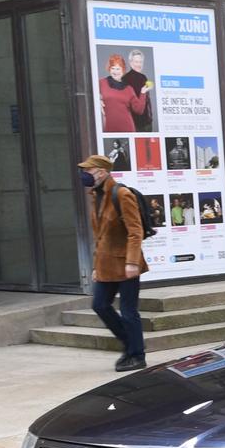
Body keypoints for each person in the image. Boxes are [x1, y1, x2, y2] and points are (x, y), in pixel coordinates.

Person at [78, 153, 147, 371]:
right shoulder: (95, 196)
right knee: (99, 305)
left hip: (126, 264)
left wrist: (133, 262)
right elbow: (100, 236)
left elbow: (135, 231)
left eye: (88, 171)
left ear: (102, 172)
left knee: (128, 312)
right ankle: (130, 344)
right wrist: (97, 267)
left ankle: (137, 355)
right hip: (107, 264)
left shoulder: (122, 194)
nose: (84, 175)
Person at [98, 56, 146, 134]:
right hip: (109, 127)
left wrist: (143, 92)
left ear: (123, 70)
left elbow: (138, 110)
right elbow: (89, 95)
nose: (115, 71)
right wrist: (97, 100)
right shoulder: (101, 83)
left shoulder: (129, 89)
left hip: (127, 128)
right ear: (109, 69)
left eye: (118, 69)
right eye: (112, 68)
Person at [124, 49, 154, 131]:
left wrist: (150, 117)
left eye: (140, 62)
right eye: (136, 62)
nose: (139, 64)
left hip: (146, 121)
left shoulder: (143, 77)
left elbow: (147, 100)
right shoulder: (125, 79)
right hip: (135, 123)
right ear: (130, 63)